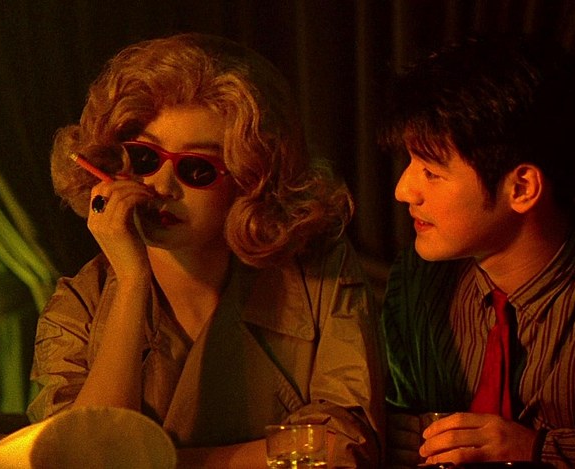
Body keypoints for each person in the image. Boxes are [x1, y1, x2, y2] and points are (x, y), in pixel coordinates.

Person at [26, 32, 385, 468]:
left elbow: (343, 444)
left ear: (250, 179)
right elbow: (78, 458)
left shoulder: (320, 273)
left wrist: (164, 463)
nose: (161, 186)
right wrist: (132, 283)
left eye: (196, 169)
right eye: (144, 158)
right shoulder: (78, 303)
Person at [378, 34, 575, 468]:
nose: (403, 190)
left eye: (431, 172)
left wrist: (537, 449)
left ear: (522, 187)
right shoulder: (420, 280)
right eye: (410, 164)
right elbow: (401, 411)